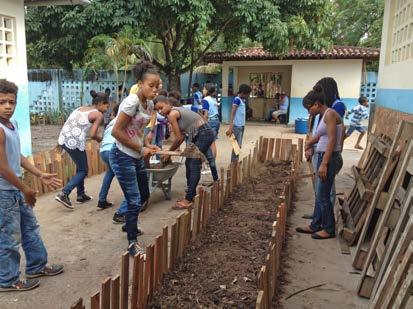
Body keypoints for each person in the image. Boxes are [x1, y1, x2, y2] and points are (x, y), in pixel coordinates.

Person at [0, 79, 64, 292]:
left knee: (30, 227)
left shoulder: (12, 124)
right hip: (4, 192)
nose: (8, 106)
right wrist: (25, 188)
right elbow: (1, 167)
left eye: (11, 102)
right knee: (9, 236)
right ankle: (7, 280)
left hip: (15, 189)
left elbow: (16, 156)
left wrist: (39, 174)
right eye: (2, 102)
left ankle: (36, 266)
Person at [110, 61, 160, 256]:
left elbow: (136, 131)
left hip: (136, 155)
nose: (155, 90)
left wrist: (147, 146)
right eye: (151, 86)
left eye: (158, 86)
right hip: (122, 156)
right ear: (140, 84)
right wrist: (141, 149)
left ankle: (129, 225)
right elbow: (116, 131)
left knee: (144, 195)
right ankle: (132, 243)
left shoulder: (149, 103)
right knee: (134, 200)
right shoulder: (131, 102)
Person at [155, 96, 218, 209]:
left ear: (167, 103)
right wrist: (170, 153)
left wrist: (168, 153)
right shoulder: (177, 110)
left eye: (161, 107)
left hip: (203, 134)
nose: (160, 111)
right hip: (198, 134)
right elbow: (183, 136)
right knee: (189, 163)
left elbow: (179, 138)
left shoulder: (172, 114)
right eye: (157, 110)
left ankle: (188, 199)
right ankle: (191, 194)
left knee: (193, 164)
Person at [297, 85, 343, 239]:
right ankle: (315, 225)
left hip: (329, 158)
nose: (308, 111)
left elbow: (332, 139)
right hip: (323, 155)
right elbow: (320, 135)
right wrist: (309, 143)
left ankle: (329, 230)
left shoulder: (330, 114)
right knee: (319, 193)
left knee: (323, 195)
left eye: (309, 108)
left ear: (317, 104)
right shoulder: (324, 115)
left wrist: (324, 163)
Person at [55, 91, 109, 209]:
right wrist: (101, 139)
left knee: (80, 167)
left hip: (63, 138)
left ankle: (81, 195)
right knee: (83, 170)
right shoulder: (98, 114)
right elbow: (93, 134)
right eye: (106, 106)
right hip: (74, 142)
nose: (106, 109)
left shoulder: (81, 108)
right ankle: (64, 193)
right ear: (100, 103)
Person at [97, 103, 120, 210]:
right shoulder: (124, 120)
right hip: (113, 150)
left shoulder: (111, 122)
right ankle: (128, 205)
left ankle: (102, 200)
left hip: (103, 150)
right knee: (125, 177)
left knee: (110, 173)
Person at [226, 84, 252, 162]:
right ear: (243, 93)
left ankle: (235, 162)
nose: (248, 96)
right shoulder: (237, 100)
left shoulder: (242, 100)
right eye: (248, 94)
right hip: (237, 126)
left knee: (238, 146)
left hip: (241, 126)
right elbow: (232, 113)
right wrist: (231, 127)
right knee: (236, 146)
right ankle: (234, 163)